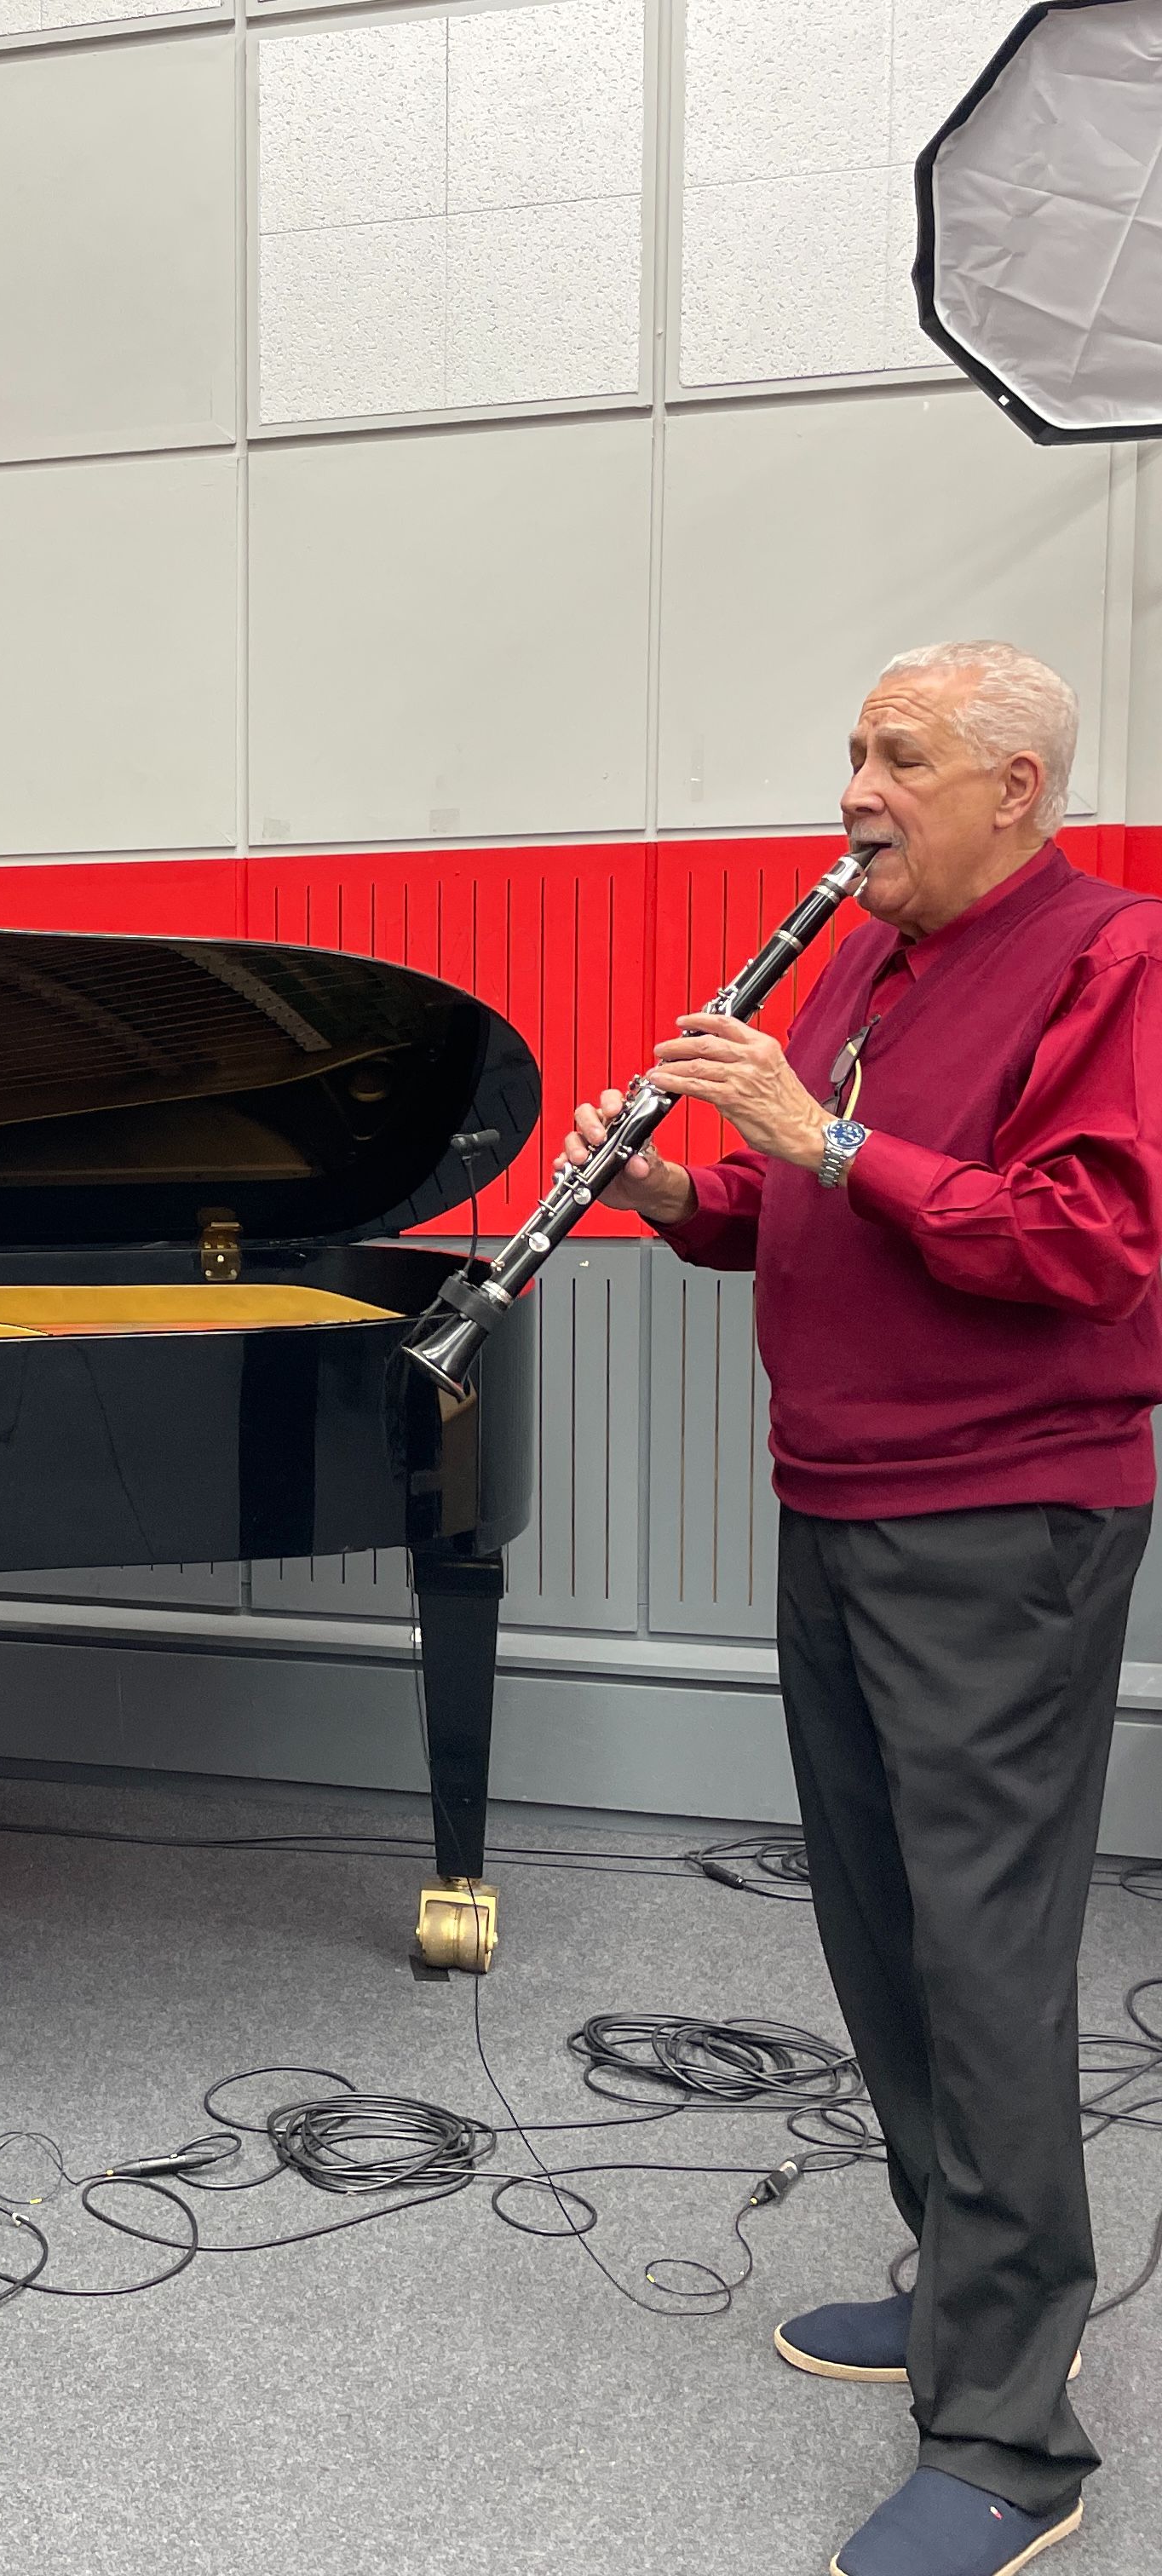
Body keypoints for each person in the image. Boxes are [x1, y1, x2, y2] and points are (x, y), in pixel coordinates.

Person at [564, 641, 1162, 2576]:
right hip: (835, 1497)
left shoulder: (1110, 956)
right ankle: (955, 2273)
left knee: (984, 1954)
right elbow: (821, 1203)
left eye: (900, 756)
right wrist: (684, 1192)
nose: (856, 787)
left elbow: (1086, 1237)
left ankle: (1008, 2441)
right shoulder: (864, 956)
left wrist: (814, 1134)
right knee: (876, 1917)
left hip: (1003, 1516)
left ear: (1016, 789)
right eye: (850, 749)